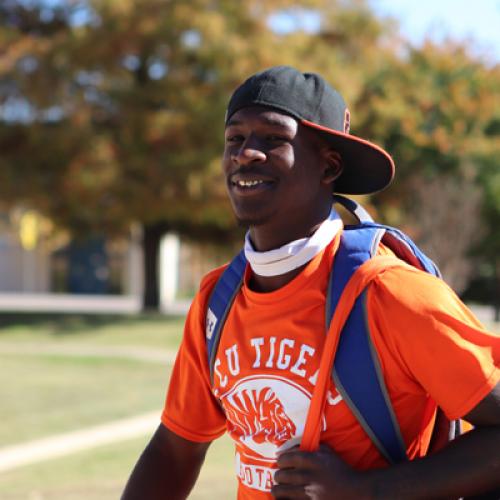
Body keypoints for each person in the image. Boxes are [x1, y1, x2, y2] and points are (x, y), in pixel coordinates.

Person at [122, 66, 500, 499]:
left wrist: (365, 490)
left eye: (273, 138)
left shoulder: (390, 293)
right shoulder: (216, 301)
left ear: (329, 166)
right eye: (235, 139)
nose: (247, 153)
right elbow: (176, 447)